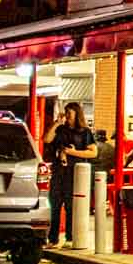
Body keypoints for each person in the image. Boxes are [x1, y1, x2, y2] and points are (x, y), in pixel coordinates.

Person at [42, 102, 98, 244]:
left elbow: (93, 152)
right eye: (66, 112)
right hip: (58, 170)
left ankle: (70, 236)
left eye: (69, 113)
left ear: (76, 114)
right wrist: (56, 123)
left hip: (75, 172)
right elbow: (47, 139)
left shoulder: (84, 132)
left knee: (71, 205)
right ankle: (53, 238)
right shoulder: (60, 129)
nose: (67, 116)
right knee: (54, 204)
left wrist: (73, 152)